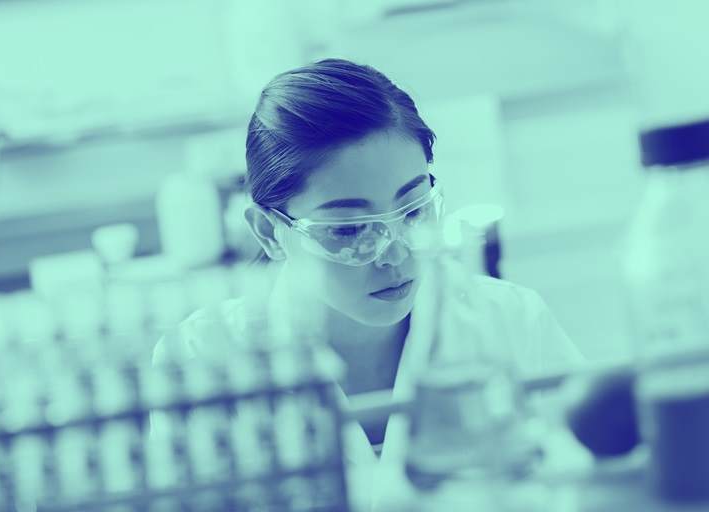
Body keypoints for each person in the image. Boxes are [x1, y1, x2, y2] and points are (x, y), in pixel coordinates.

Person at [151, 58, 583, 482]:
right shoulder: (201, 359)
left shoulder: (511, 320)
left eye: (414, 212)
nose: (395, 254)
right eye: (350, 229)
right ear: (269, 231)